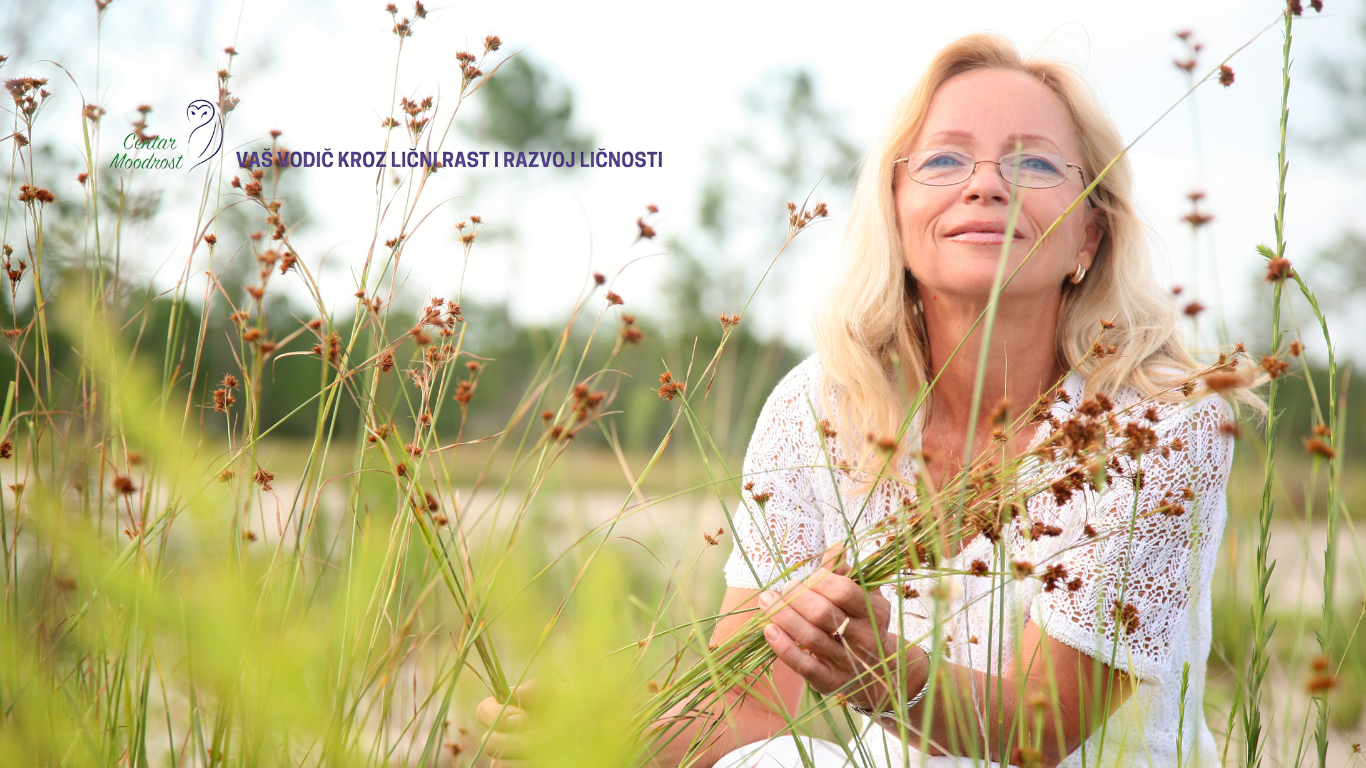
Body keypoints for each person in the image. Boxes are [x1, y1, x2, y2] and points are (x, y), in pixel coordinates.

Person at [479, 32, 1243, 768]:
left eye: (1035, 164)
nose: (986, 184)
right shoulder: (822, 403)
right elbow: (748, 708)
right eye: (945, 159)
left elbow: (1038, 733)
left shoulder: (1159, 423)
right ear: (895, 213)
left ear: (1089, 236)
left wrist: (887, 675)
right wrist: (597, 737)